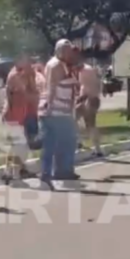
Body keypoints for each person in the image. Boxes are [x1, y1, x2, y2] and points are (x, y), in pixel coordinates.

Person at [39, 40, 83, 186]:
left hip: (61, 110)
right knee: (64, 141)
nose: (70, 53)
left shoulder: (61, 64)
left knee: (59, 142)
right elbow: (51, 87)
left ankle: (56, 171)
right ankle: (58, 171)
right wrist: (49, 108)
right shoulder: (56, 65)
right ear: (60, 51)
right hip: (57, 111)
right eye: (67, 50)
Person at [1, 57, 34, 183]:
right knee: (19, 145)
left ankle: (8, 171)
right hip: (13, 115)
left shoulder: (22, 74)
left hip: (18, 115)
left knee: (15, 146)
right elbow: (16, 94)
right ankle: (14, 173)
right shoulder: (15, 76)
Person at [76, 59, 104, 156]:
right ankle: (79, 142)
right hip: (88, 99)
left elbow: (90, 89)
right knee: (74, 118)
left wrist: (80, 99)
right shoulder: (83, 70)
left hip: (90, 100)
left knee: (90, 124)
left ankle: (97, 149)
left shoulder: (87, 71)